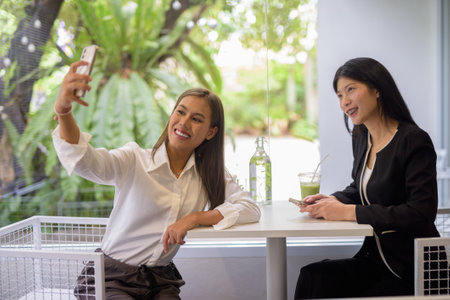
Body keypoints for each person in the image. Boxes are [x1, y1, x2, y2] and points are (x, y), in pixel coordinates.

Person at [52, 60, 261, 299]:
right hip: (110, 278)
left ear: (211, 132)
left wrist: (193, 218)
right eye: (180, 112)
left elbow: (250, 208)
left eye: (197, 119)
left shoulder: (210, 175)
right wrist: (64, 111)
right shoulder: (134, 160)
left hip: (159, 280)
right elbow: (85, 162)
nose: (183, 122)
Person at [294, 57, 440, 299]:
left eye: (351, 89)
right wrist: (330, 201)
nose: (344, 102)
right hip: (377, 260)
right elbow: (361, 188)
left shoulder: (413, 140)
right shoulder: (361, 136)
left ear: (377, 89)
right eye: (340, 95)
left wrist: (349, 212)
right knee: (312, 277)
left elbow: (421, 212)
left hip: (411, 269)